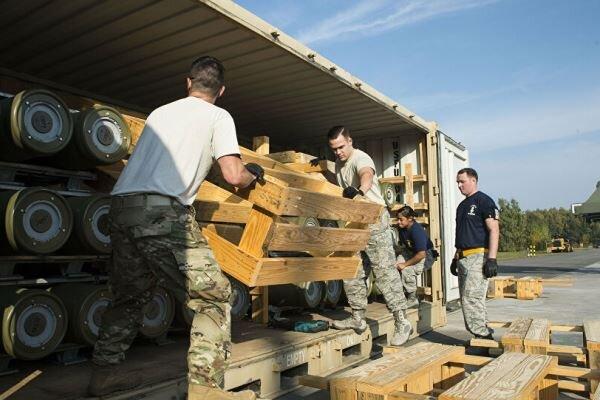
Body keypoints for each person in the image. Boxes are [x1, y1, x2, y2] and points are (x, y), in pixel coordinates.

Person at [87, 56, 262, 400]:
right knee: (212, 296)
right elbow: (232, 174)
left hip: (121, 207)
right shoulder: (218, 116)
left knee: (129, 296)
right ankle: (204, 389)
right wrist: (252, 172)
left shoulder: (160, 113)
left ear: (188, 83)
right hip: (161, 212)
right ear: (221, 90)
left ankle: (103, 376)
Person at [326, 126, 412, 346]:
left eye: (341, 147)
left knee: (384, 272)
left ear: (350, 141)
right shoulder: (339, 163)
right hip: (354, 221)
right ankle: (357, 318)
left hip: (373, 219)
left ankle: (402, 321)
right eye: (334, 149)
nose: (338, 152)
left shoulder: (360, 158)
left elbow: (366, 175)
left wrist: (360, 191)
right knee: (352, 270)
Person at [450, 167, 499, 340]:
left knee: (471, 299)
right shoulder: (462, 206)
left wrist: (491, 259)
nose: (459, 185)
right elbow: (463, 233)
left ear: (473, 180)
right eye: (457, 182)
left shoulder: (484, 201)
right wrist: (456, 258)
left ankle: (483, 337)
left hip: (478, 257)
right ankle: (482, 334)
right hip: (463, 257)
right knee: (469, 299)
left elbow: (494, 229)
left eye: (462, 181)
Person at [395, 205, 436, 308]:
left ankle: (413, 298)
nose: (398, 222)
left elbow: (421, 254)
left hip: (425, 255)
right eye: (398, 219)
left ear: (410, 219)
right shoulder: (402, 228)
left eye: (401, 219)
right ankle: (400, 296)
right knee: (395, 266)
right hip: (411, 252)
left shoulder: (417, 231)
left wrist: (405, 264)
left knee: (407, 270)